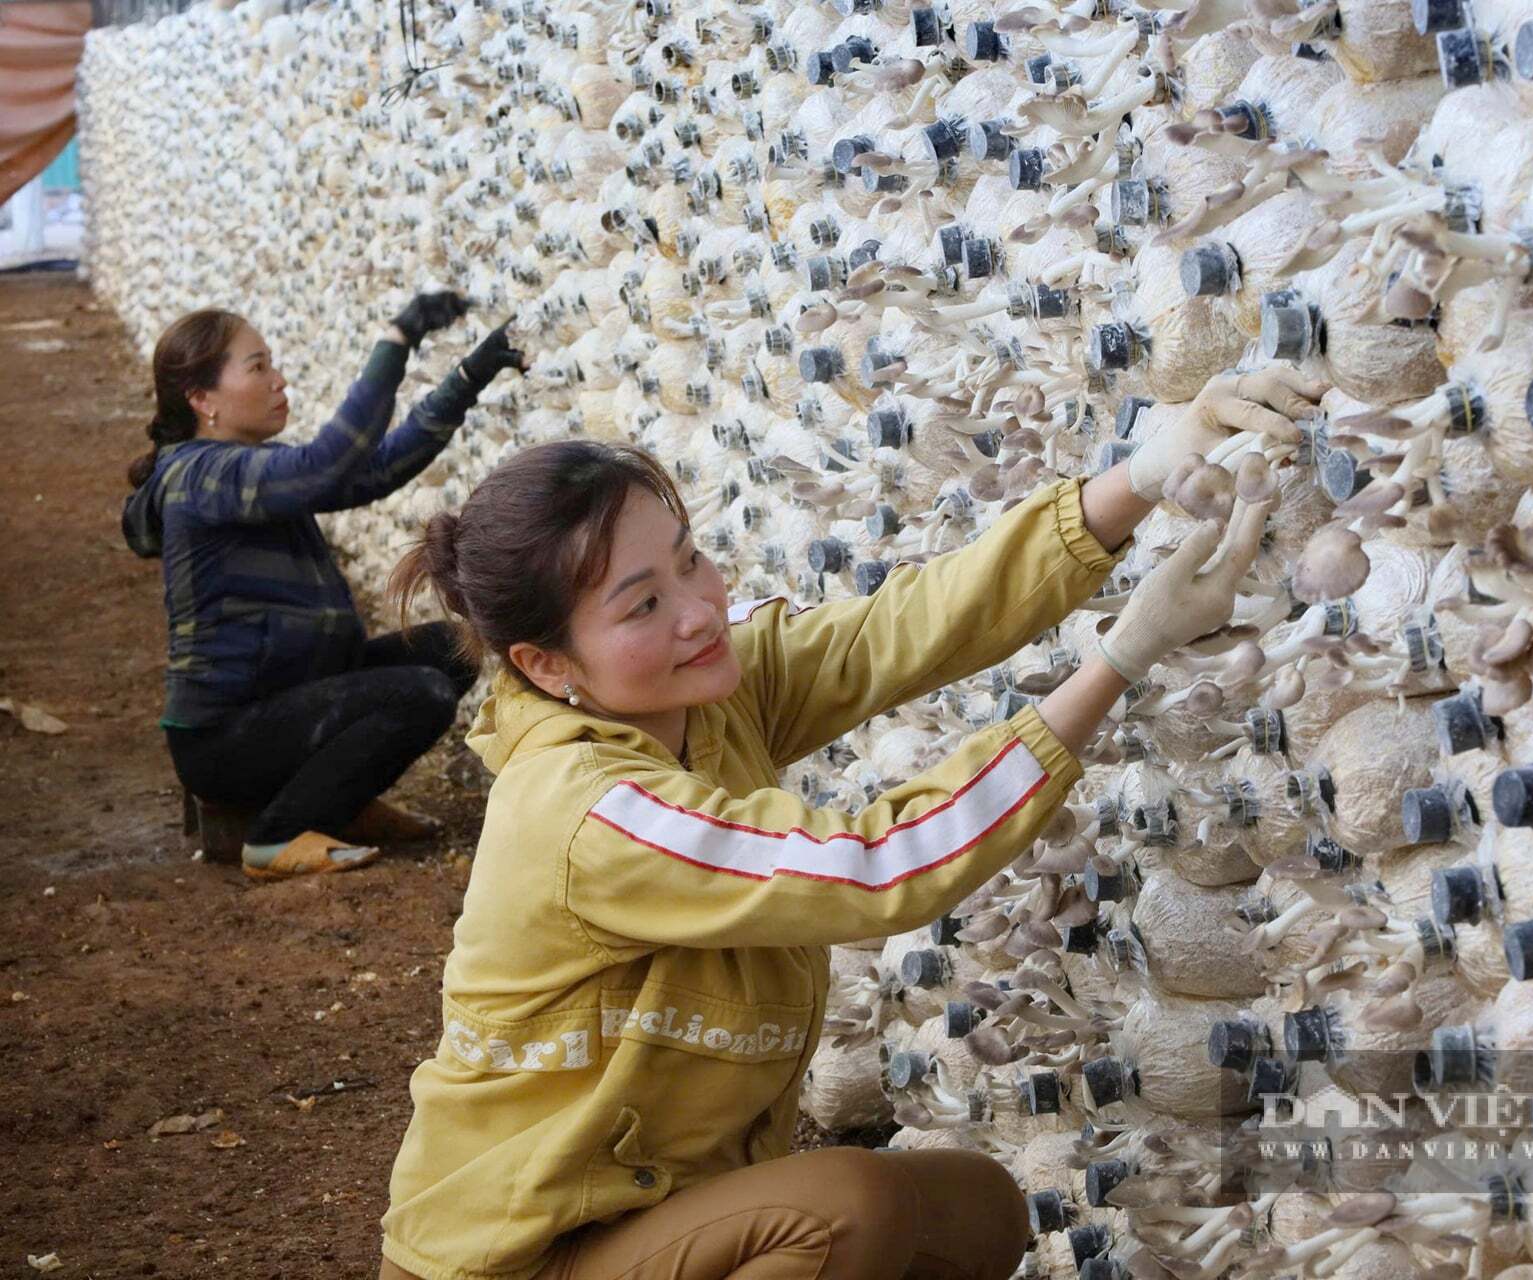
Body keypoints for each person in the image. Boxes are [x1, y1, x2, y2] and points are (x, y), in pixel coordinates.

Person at [374, 367, 1305, 1280]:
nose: (700, 610)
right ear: (546, 666)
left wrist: (1137, 479)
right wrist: (1121, 656)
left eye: (689, 559)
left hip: (653, 1213)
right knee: (848, 1210)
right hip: (521, 1252)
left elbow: (905, 626)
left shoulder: (702, 700)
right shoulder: (588, 813)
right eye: (643, 604)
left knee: (971, 1212)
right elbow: (876, 865)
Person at [121, 292, 526, 880]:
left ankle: (336, 804)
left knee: (452, 649)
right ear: (202, 398)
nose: (279, 381)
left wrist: (468, 376)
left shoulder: (248, 469)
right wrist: (396, 341)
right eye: (258, 367)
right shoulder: (199, 477)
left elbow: (378, 467)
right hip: (227, 736)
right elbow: (327, 462)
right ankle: (275, 837)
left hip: (293, 693)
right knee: (419, 694)